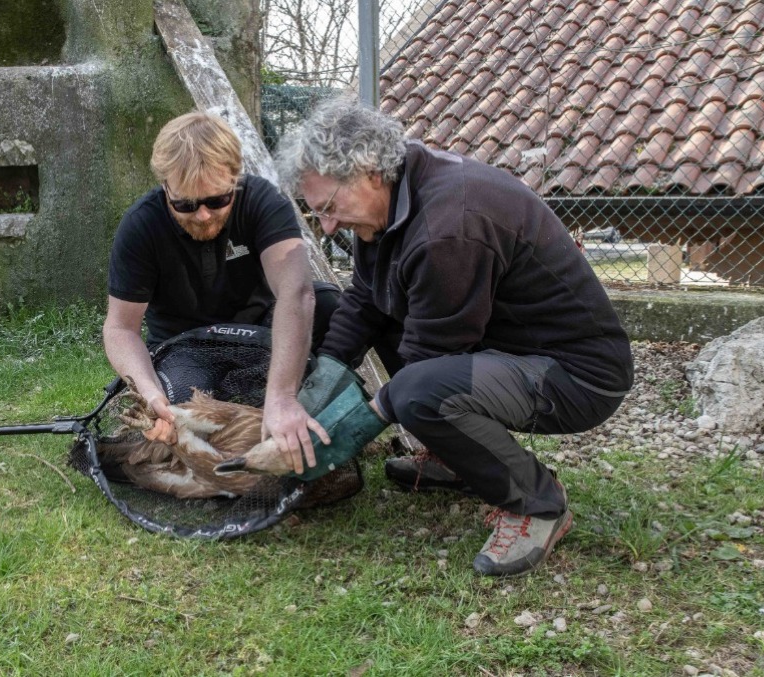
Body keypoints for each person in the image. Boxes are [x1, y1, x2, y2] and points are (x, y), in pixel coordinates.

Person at [274, 98, 634, 577]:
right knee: (354, 316)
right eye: (316, 213)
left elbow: (426, 364)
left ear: (368, 172)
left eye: (331, 208)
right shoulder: (399, 191)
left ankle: (539, 505)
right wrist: (323, 382)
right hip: (503, 348)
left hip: (575, 376)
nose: (328, 226)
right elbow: (365, 298)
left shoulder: (449, 227)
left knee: (419, 394)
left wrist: (344, 436)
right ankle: (459, 457)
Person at [103, 111, 339, 474]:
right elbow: (120, 329)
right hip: (184, 346)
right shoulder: (141, 225)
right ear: (166, 185)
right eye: (185, 204)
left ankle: (308, 407)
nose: (202, 216)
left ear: (235, 179)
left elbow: (297, 292)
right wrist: (151, 394)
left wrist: (282, 396)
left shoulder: (263, 201)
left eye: (217, 201)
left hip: (260, 329)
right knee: (182, 415)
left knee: (331, 305)